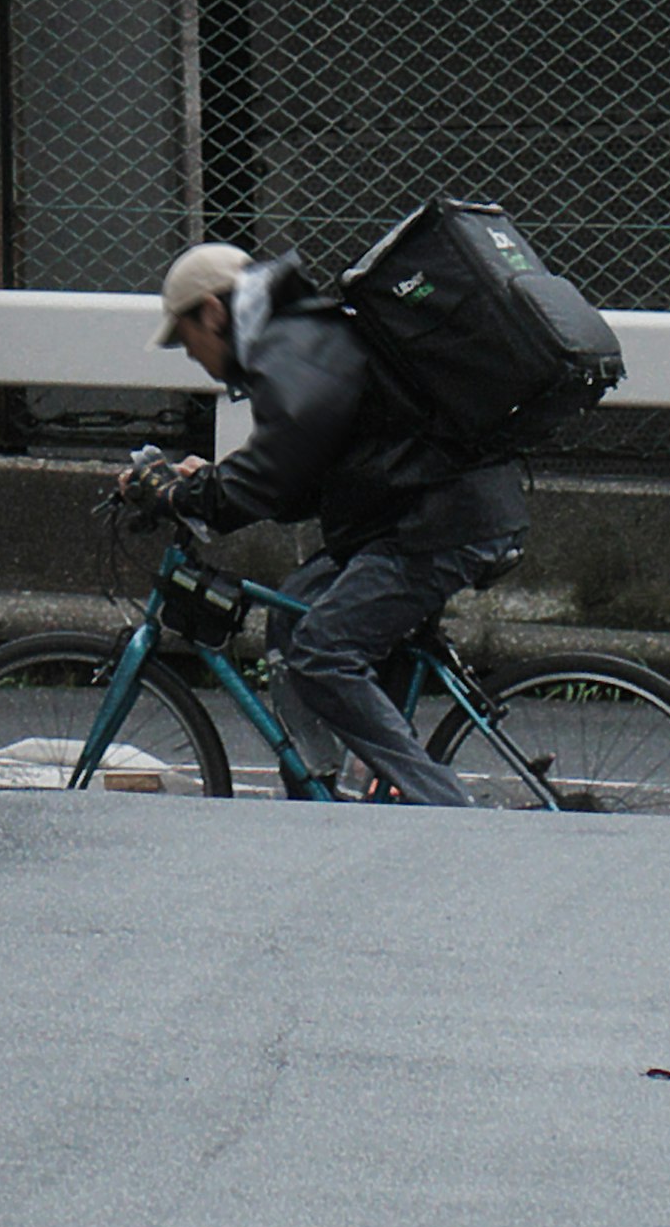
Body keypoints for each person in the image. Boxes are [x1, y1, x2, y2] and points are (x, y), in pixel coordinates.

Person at [121, 241, 526, 806]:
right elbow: (299, 476)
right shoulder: (294, 336)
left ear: (212, 313)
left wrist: (187, 494)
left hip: (437, 524)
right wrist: (207, 483)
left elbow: (273, 472)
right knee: (293, 617)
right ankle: (318, 799)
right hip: (423, 513)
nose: (191, 355)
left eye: (186, 339)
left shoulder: (291, 343)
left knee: (322, 652)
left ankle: (447, 810)